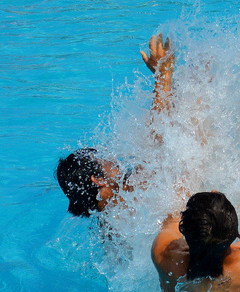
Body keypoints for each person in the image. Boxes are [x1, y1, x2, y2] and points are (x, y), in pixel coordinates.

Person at [56, 34, 174, 217]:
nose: (111, 156)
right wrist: (162, 75)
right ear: (99, 180)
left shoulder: (109, 212)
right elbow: (158, 139)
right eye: (102, 157)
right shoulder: (128, 202)